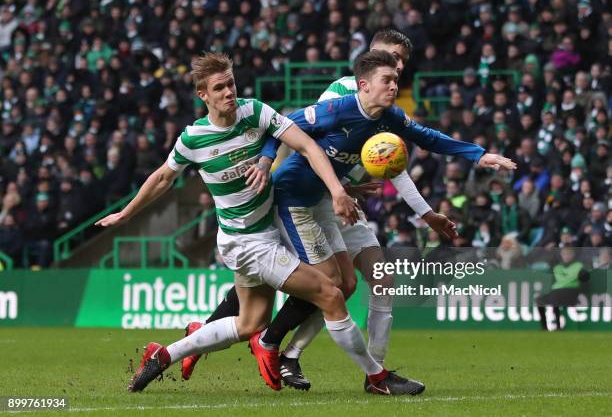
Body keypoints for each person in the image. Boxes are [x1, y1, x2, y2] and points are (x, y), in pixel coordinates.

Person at [182, 48, 516, 391]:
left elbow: (427, 138)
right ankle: (271, 342)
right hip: (293, 200)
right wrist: (268, 160)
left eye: (397, 78)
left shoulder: (390, 118)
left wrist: (479, 155)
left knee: (344, 285)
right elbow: (282, 126)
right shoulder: (336, 104)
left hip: (327, 200)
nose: (394, 83)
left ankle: (254, 341)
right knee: (321, 287)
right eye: (389, 77)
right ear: (364, 83)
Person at [96, 52, 422, 396]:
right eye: (219, 87)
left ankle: (164, 355)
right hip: (248, 243)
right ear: (203, 95)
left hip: (263, 233)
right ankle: (377, 377)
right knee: (331, 293)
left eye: (231, 84)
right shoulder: (194, 139)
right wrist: (126, 214)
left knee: (249, 323)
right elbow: (162, 177)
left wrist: (337, 190)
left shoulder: (254, 112)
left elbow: (308, 145)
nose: (228, 93)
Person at [535, 245, 589, 331]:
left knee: (555, 297)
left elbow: (585, 283)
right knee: (539, 300)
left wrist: (579, 290)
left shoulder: (579, 266)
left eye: (568, 254)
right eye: (564, 254)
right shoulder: (557, 267)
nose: (566, 256)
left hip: (570, 291)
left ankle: (558, 327)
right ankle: (544, 327)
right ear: (561, 255)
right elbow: (553, 282)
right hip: (556, 292)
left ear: (573, 255)